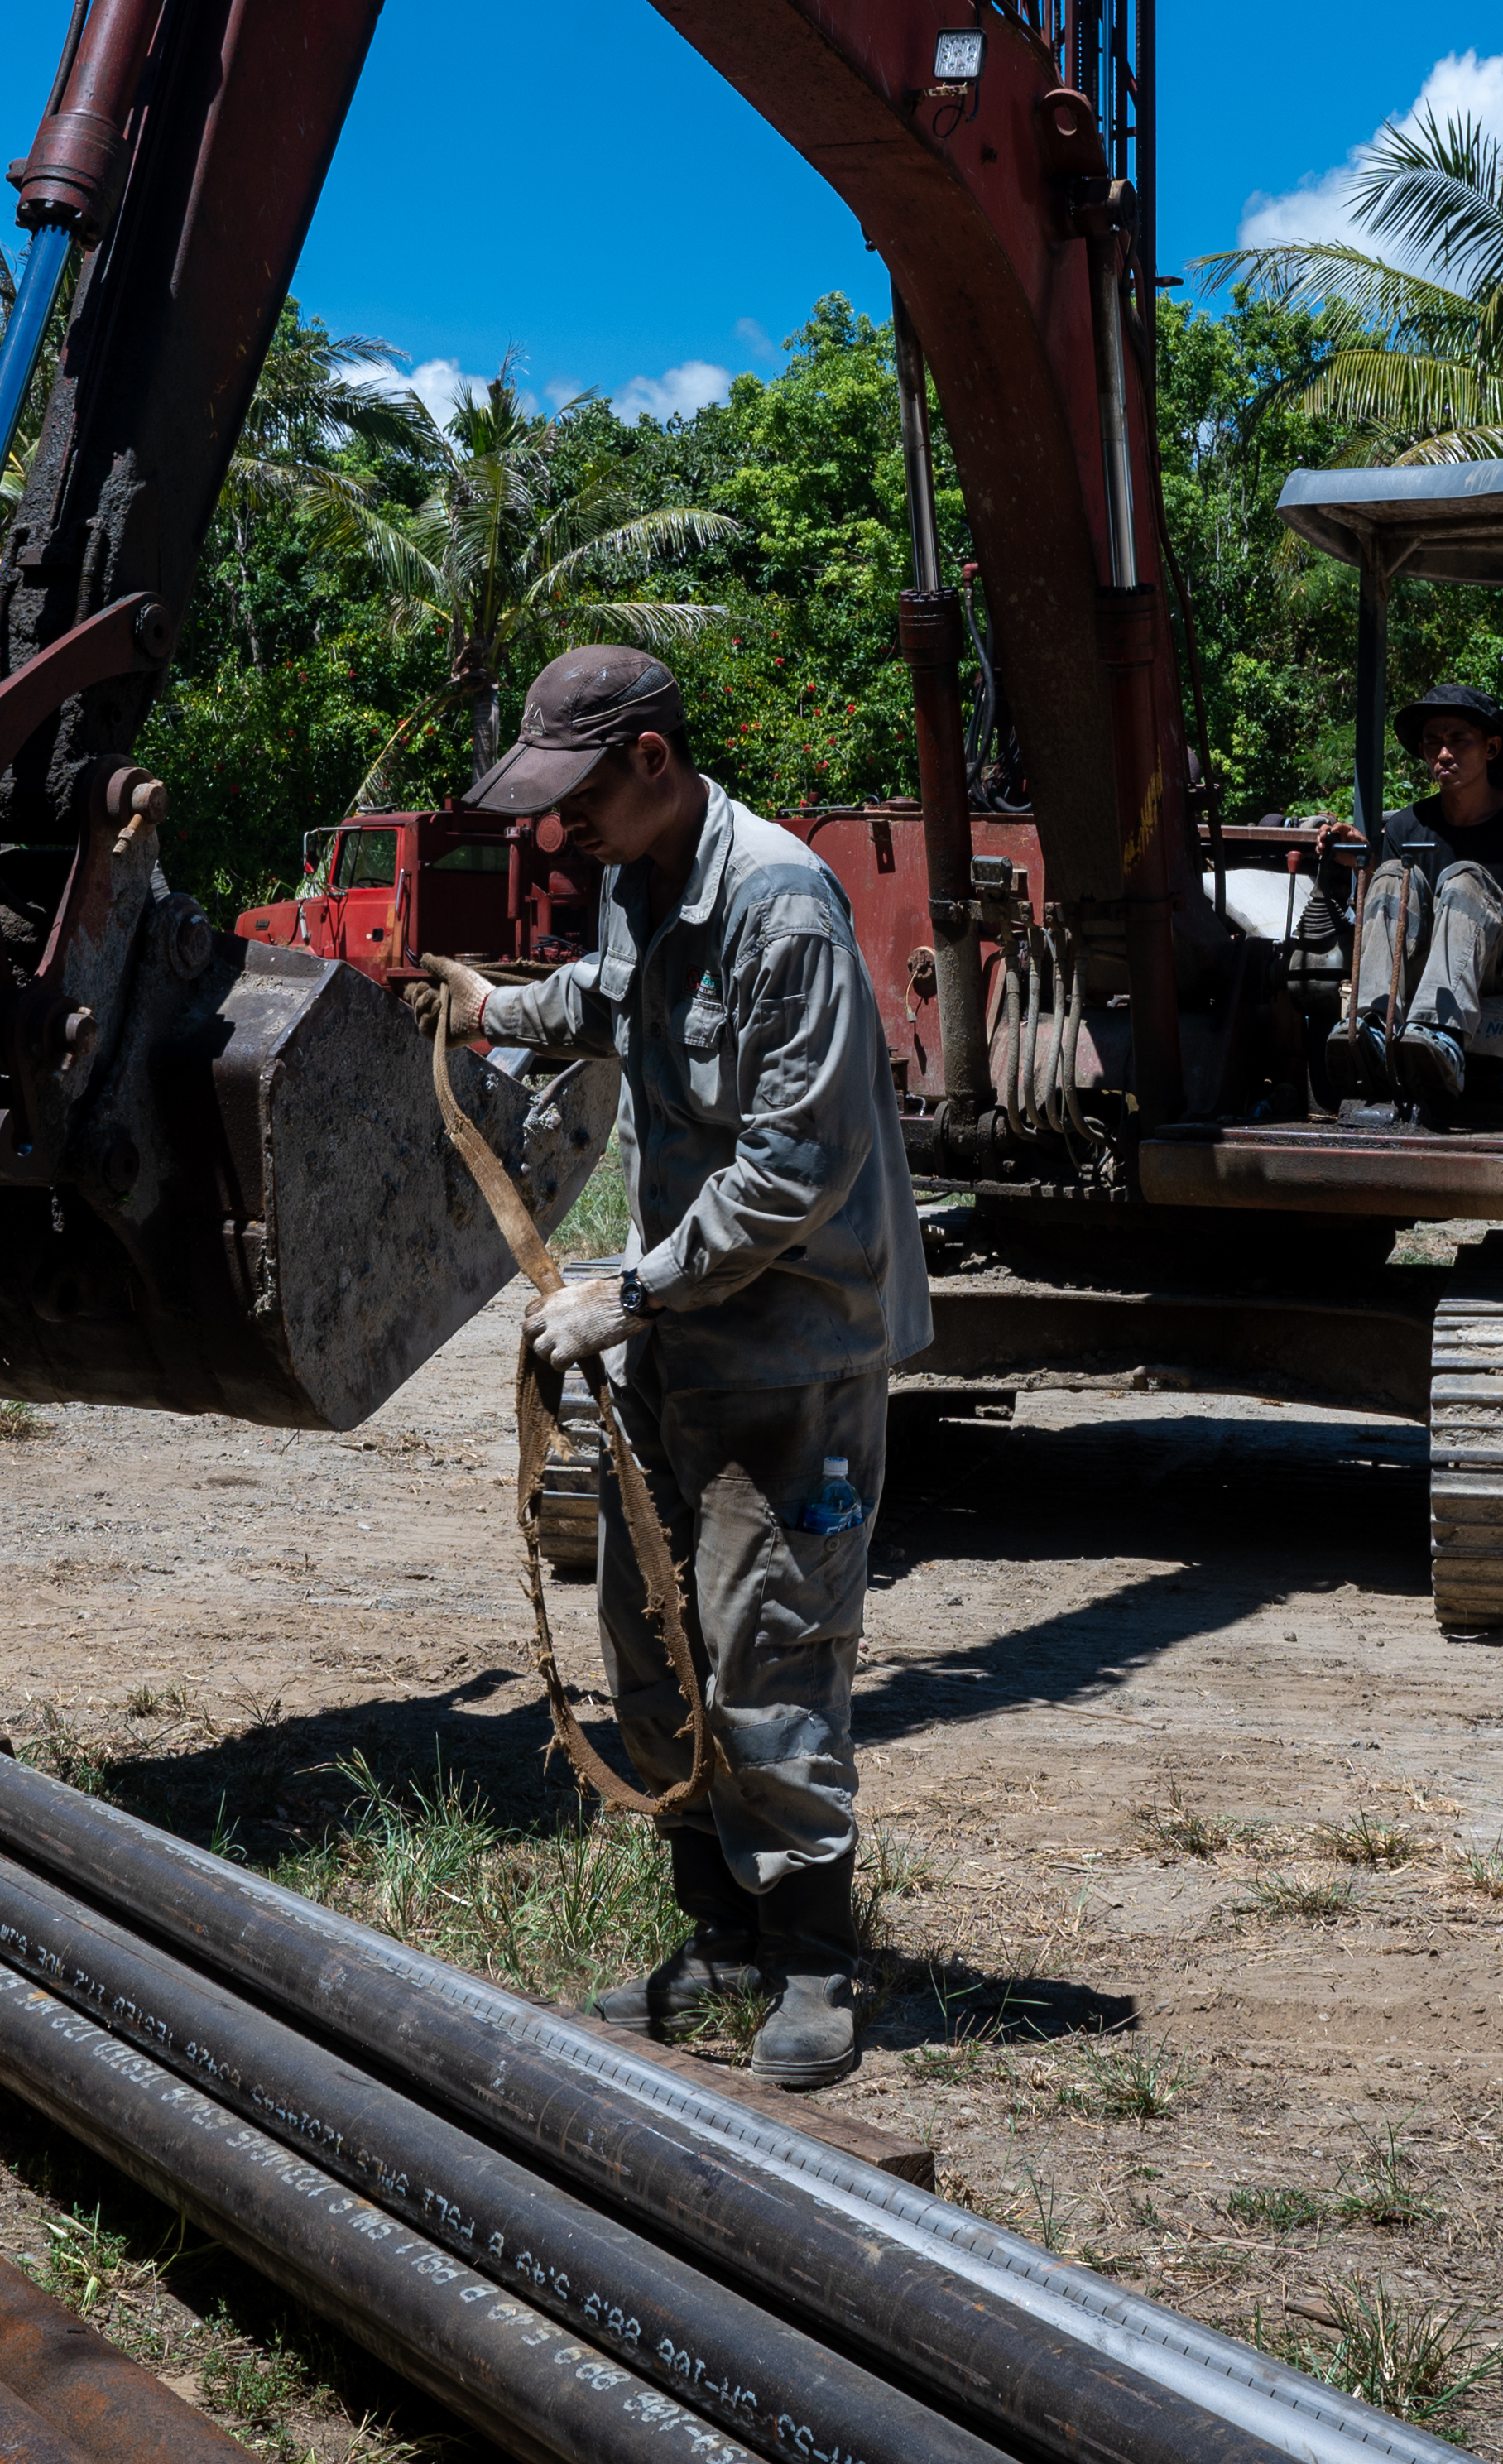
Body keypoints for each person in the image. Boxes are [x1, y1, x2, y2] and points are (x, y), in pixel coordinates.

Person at [406, 646, 921, 2090]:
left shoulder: (781, 905)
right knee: (656, 1639)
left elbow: (793, 1171)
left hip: (789, 1342)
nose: (556, 828)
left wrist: (622, 1287)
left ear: (649, 759)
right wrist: (490, 1008)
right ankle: (719, 1939)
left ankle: (818, 1957)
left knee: (768, 1646)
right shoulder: (636, 872)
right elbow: (613, 999)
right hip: (673, 1338)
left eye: (576, 796)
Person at [1322, 681, 1503, 1109]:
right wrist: (1356, 862)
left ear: (1491, 748)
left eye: (1459, 740)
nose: (1443, 754)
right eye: (1433, 743)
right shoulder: (1405, 827)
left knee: (1464, 878)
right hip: (1429, 961)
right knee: (1387, 875)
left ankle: (1442, 1040)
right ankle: (1370, 1029)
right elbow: (1394, 923)